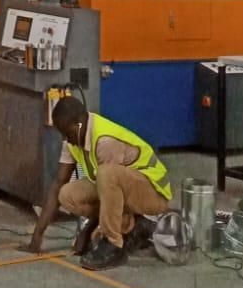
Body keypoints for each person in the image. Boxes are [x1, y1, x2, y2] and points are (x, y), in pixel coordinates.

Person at [26, 95, 172, 270]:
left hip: (153, 192)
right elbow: (58, 183)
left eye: (67, 133)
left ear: (79, 124)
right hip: (123, 193)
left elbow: (112, 195)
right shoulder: (72, 139)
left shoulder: (105, 141)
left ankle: (113, 245)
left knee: (106, 173)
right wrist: (38, 234)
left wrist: (92, 232)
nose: (65, 139)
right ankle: (132, 225)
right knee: (66, 195)